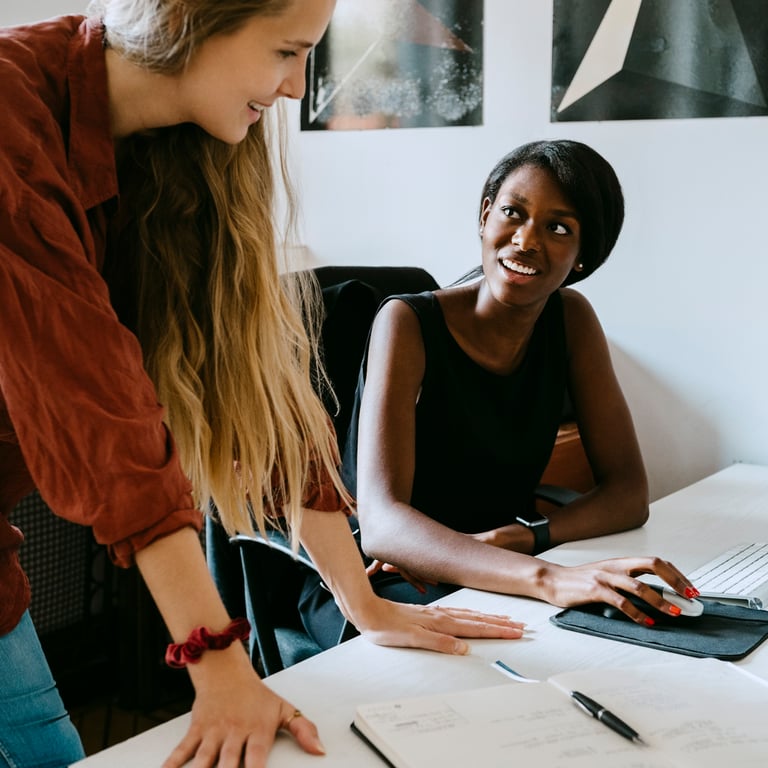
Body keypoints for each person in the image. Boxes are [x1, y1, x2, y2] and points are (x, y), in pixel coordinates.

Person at [0, 3, 525, 767]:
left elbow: (257, 396)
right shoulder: (13, 114)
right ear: (191, 18)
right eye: (287, 51)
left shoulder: (180, 141)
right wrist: (219, 665)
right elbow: (96, 402)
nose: (295, 88)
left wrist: (362, 604)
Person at [318, 139, 700, 645]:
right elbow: (383, 525)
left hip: (504, 564)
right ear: (484, 216)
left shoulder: (573, 320)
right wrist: (547, 577)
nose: (525, 240)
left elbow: (628, 493)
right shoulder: (407, 322)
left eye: (558, 228)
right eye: (513, 213)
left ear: (584, 256)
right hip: (390, 581)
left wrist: (527, 536)